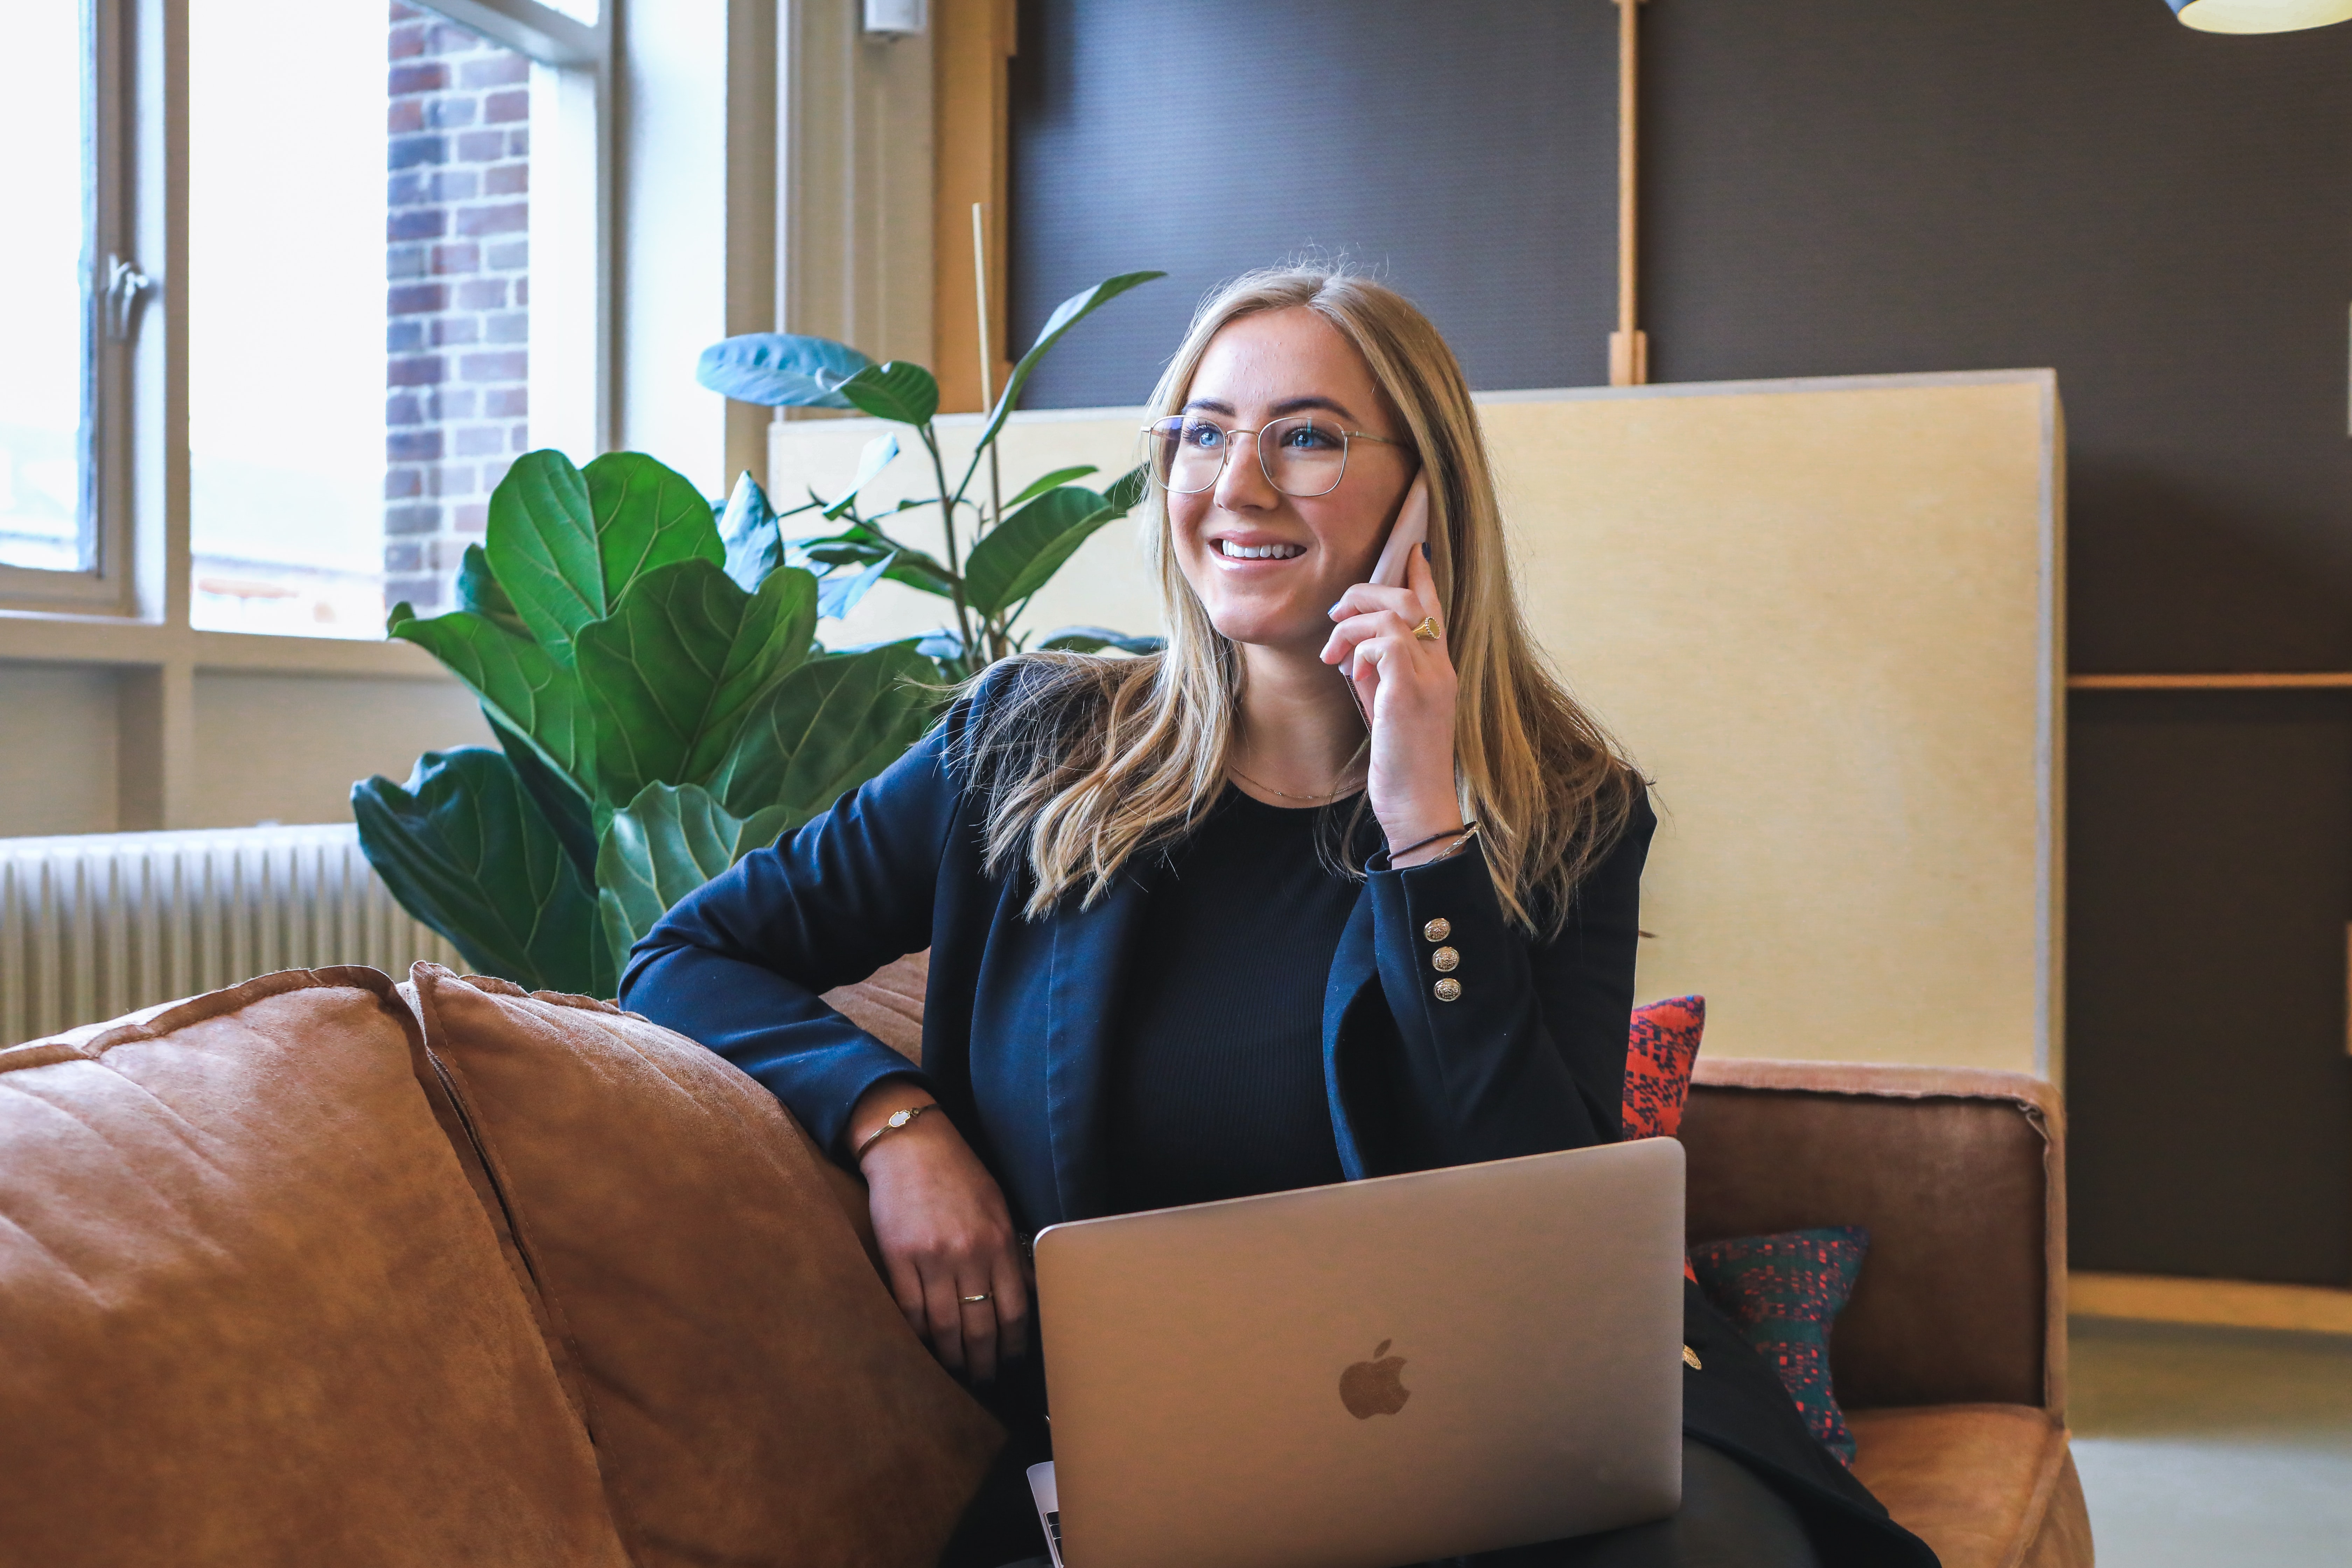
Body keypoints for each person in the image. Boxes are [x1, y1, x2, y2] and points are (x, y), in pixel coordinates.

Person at [621, 269, 1936, 1568]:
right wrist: (893, 1125)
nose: (1237, 485)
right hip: (1162, 1461)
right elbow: (683, 954)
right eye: (1202, 432)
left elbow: (1553, 1217)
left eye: (1306, 437)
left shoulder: (1566, 809)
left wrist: (1427, 832)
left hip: (1513, 1435)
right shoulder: (1027, 748)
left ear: (1427, 495)